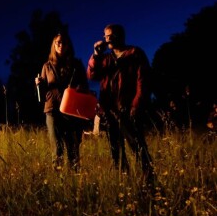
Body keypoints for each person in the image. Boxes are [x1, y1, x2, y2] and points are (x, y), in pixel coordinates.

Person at [87, 23, 155, 182]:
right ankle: (124, 179)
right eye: (105, 36)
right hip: (109, 110)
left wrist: (136, 104)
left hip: (128, 107)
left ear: (120, 36)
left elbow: (143, 81)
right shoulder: (105, 58)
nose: (107, 39)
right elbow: (92, 76)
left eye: (110, 35)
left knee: (137, 144)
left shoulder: (134, 53)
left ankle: (149, 178)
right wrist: (95, 55)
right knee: (115, 148)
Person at [35, 31, 89, 170]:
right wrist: (38, 84)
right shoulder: (47, 66)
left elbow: (85, 86)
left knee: (73, 149)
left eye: (64, 42)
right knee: (57, 148)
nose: (61, 45)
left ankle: (75, 181)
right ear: (54, 45)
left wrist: (78, 88)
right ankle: (58, 182)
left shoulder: (76, 64)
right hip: (52, 109)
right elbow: (42, 94)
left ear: (68, 45)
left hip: (71, 110)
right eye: (58, 42)